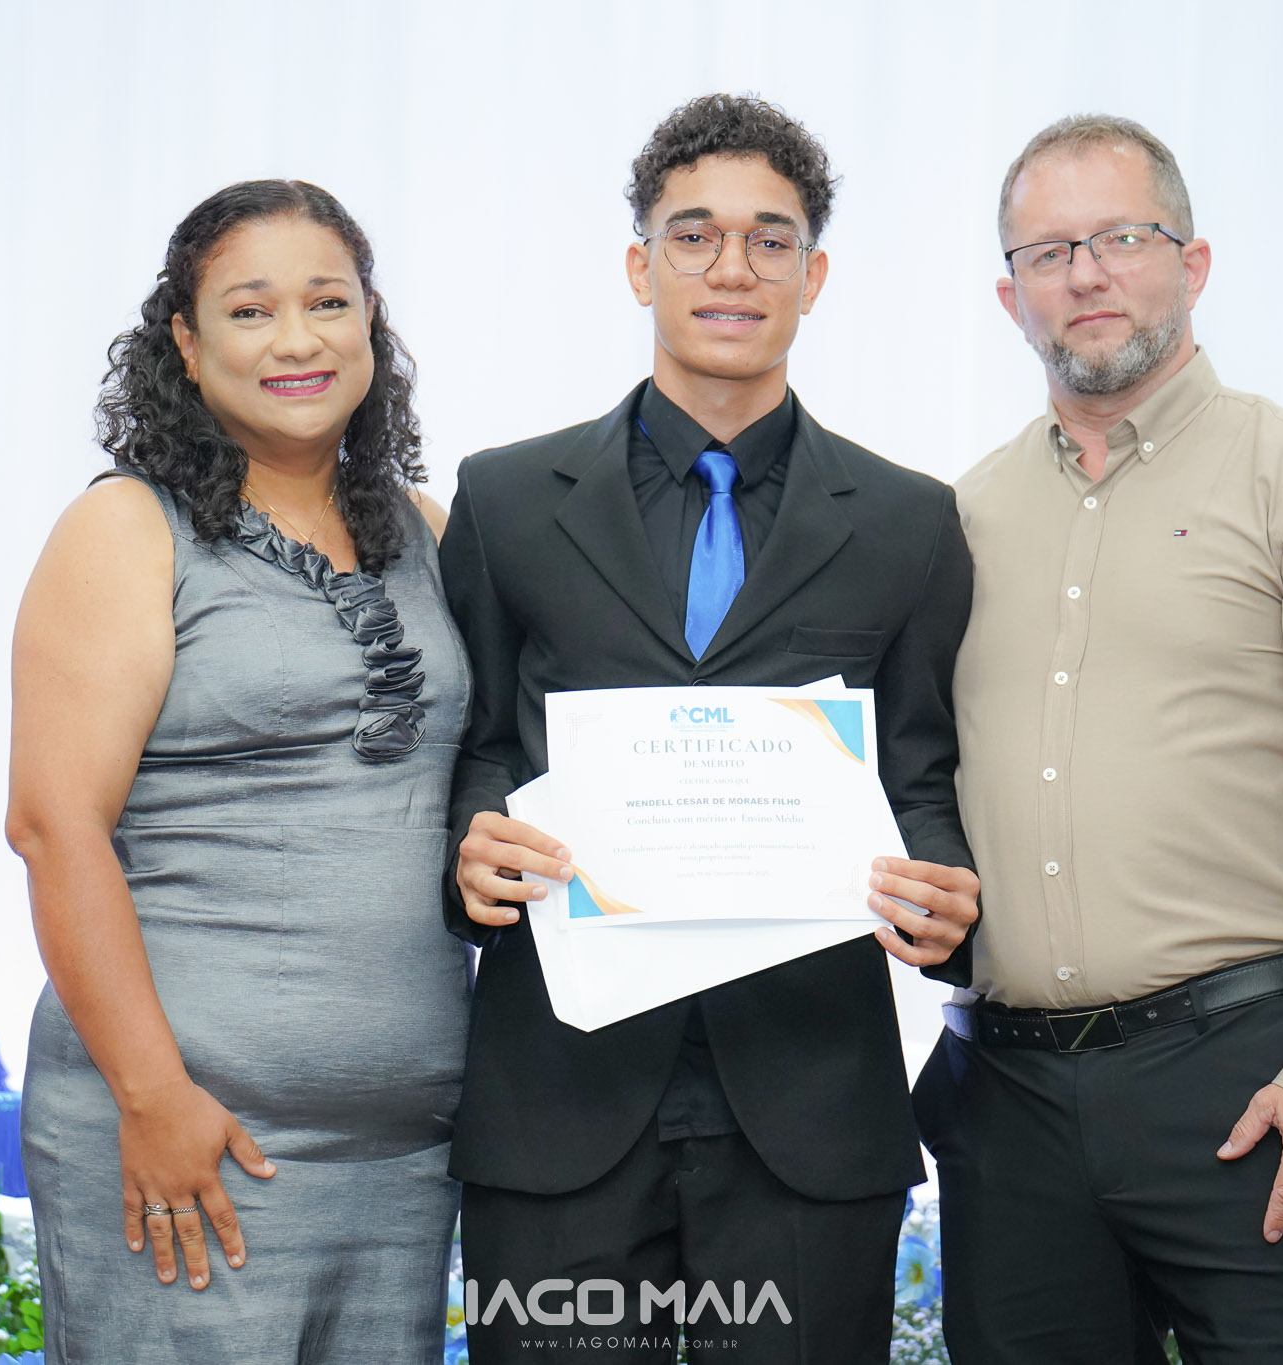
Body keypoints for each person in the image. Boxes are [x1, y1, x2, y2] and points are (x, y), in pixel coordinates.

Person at [914, 114, 1283, 1364]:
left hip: (1247, 1091)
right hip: (1007, 1106)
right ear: (1008, 296)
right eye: (1047, 252)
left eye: (1121, 237)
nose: (1085, 275)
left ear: (1192, 262)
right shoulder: (958, 517)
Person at [440, 94, 981, 1365]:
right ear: (640, 266)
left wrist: (947, 894)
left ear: (812, 277)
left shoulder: (907, 521)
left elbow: (921, 773)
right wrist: (469, 848)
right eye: (693, 235)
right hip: (557, 1098)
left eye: (768, 240)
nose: (730, 268)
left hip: (809, 1106)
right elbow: (471, 746)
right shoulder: (506, 500)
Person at [7, 180, 469, 1363]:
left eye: (328, 302)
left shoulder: (428, 532)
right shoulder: (128, 528)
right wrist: (153, 1098)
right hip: (193, 1136)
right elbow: (55, 828)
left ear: (372, 320)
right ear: (185, 340)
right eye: (251, 311)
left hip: (406, 1150)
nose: (297, 340)